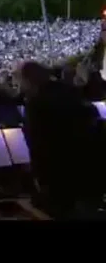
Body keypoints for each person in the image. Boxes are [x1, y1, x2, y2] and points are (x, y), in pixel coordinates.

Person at [16, 61, 102, 218]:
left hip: (57, 170)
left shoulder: (36, 102)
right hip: (88, 165)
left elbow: (38, 143)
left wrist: (38, 175)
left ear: (28, 80)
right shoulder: (71, 92)